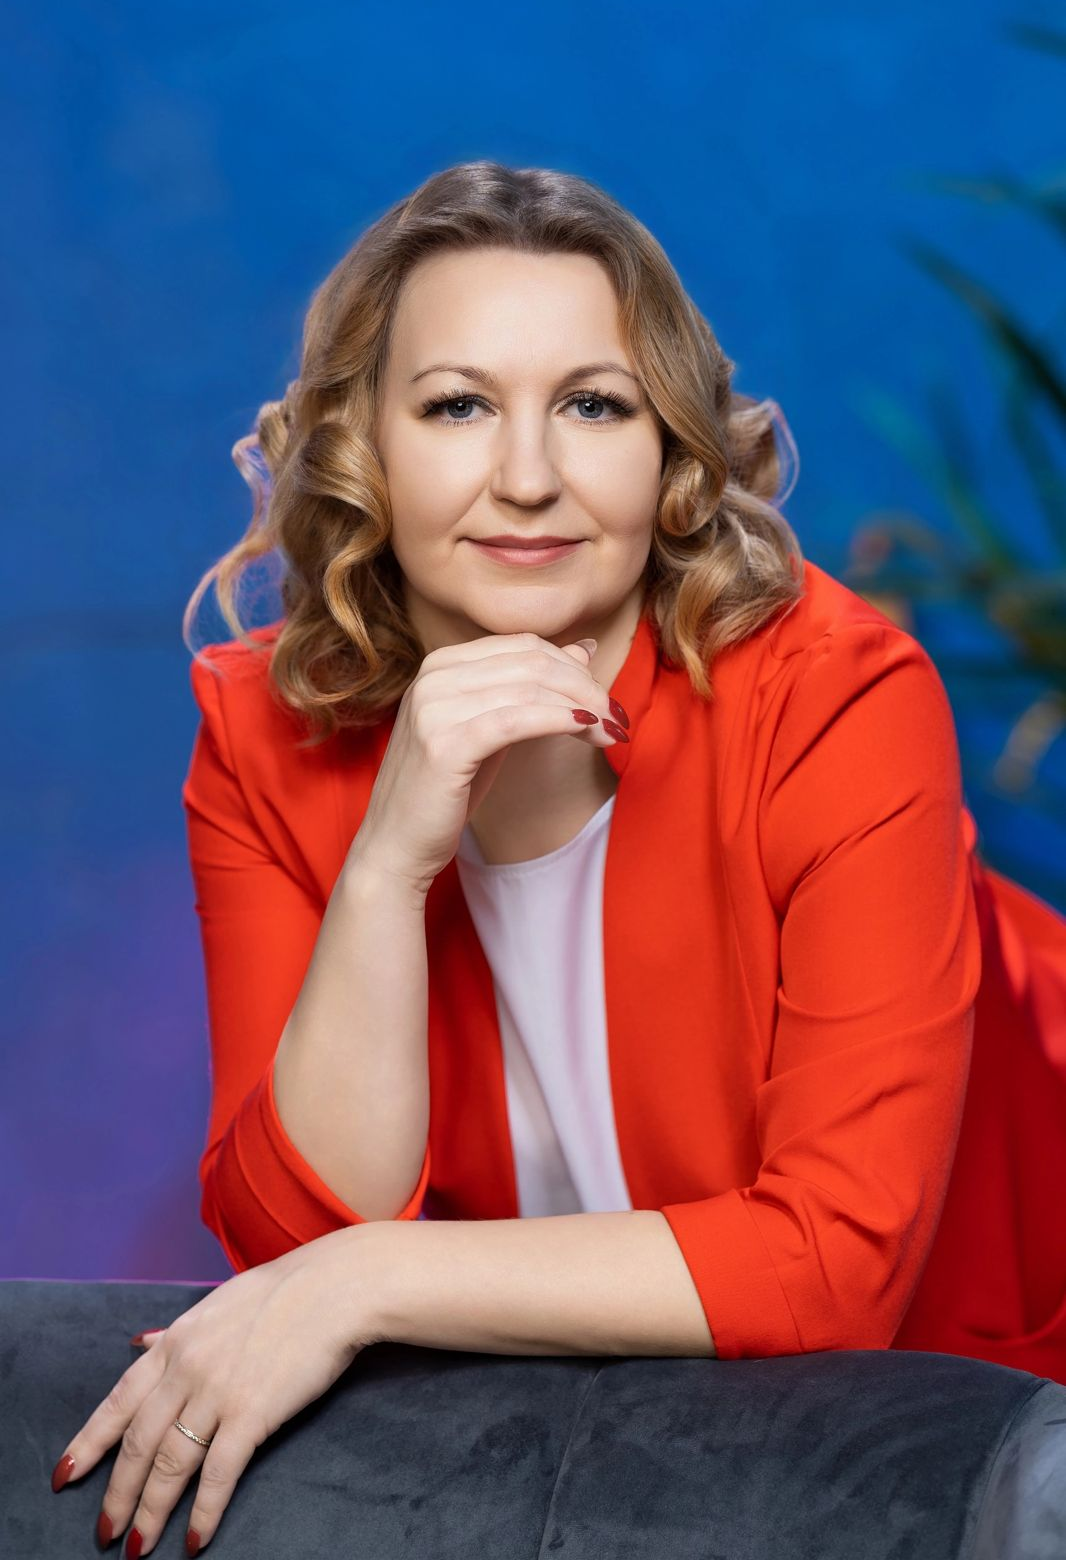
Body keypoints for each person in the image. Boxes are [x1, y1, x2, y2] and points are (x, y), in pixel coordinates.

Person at [51, 162, 1066, 1557]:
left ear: (671, 455)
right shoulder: (263, 734)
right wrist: (387, 862)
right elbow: (290, 1240)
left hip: (962, 1419)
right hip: (599, 1448)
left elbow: (833, 1265)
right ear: (363, 448)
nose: (527, 479)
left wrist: (371, 1282)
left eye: (593, 405)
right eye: (455, 405)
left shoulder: (836, 699)